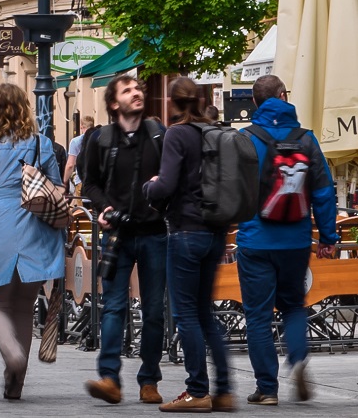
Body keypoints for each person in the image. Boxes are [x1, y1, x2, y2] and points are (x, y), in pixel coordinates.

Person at [234, 75, 341, 405]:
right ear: (284, 96)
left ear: (255, 103)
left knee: (258, 316)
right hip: (295, 240)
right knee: (294, 306)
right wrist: (327, 236)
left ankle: (267, 388)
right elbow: (324, 191)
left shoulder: (244, 139)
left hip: (255, 240)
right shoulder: (306, 140)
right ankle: (297, 358)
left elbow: (230, 189)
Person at [0, 83, 65, 401]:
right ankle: (16, 379)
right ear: (25, 108)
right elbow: (57, 188)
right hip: (35, 228)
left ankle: (12, 355)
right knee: (24, 305)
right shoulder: (42, 143)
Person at [142, 76, 237, 412]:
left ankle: (198, 391)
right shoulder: (215, 132)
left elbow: (166, 184)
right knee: (204, 312)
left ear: (173, 102)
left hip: (185, 231)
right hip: (215, 231)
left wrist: (149, 188)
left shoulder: (177, 134)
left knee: (186, 314)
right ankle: (224, 389)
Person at [79, 76, 169, 405]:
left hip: (154, 232)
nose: (137, 93)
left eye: (139, 89)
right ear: (115, 103)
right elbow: (89, 184)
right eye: (128, 91)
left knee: (154, 310)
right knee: (114, 307)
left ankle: (149, 380)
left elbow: (174, 180)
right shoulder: (100, 139)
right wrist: (104, 208)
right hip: (116, 234)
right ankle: (109, 379)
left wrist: (164, 187)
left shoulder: (159, 135)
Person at [65, 115, 99, 191]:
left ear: (81, 127)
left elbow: (70, 165)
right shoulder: (99, 138)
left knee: (81, 201)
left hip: (81, 180)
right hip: (97, 182)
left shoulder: (75, 141)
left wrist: (65, 181)